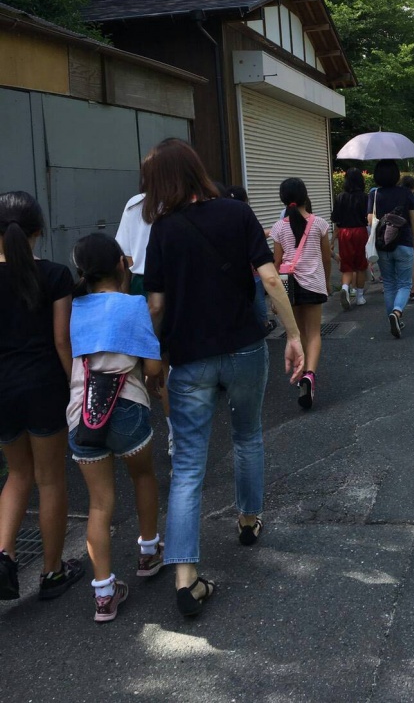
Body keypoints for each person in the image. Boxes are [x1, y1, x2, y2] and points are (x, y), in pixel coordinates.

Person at [142, 138, 304, 618]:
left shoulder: (163, 230)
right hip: (244, 350)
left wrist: (155, 358)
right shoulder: (236, 213)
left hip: (189, 359)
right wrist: (293, 334)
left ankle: (185, 577)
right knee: (248, 435)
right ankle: (249, 520)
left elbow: (155, 305)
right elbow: (270, 279)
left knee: (188, 465)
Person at [69, 233, 163, 623]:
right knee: (143, 477)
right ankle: (148, 552)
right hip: (126, 408)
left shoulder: (73, 308)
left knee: (99, 504)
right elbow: (153, 368)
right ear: (122, 264)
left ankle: (104, 594)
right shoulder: (132, 305)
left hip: (81, 413)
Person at [0, 191, 84, 602]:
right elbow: (62, 341)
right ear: (38, 232)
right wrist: (76, 387)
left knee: (17, 474)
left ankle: (3, 557)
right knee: (49, 479)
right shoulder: (55, 275)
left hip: (2, 390)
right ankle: (52, 572)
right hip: (44, 387)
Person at [116, 190, 174, 456]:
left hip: (143, 282)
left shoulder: (135, 203)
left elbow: (126, 258)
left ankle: (173, 435)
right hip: (179, 279)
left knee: (159, 364)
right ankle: (181, 434)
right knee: (183, 363)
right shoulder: (183, 200)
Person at [271, 178, 331, 410]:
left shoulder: (279, 227)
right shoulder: (319, 224)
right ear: (306, 197)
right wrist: (326, 281)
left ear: (283, 199)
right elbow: (326, 258)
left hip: (290, 287)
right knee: (314, 333)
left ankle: (303, 370)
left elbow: (277, 263)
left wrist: (275, 295)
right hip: (314, 284)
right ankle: (310, 375)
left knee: (297, 333)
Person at [368, 160, 414, 338]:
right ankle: (396, 313)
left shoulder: (374, 194)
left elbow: (370, 220)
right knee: (405, 283)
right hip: (404, 242)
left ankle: (393, 318)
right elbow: (413, 219)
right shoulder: (406, 193)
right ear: (396, 174)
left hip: (383, 245)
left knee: (389, 283)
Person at [227, 186, 276, 334]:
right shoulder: (245, 214)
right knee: (258, 299)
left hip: (233, 271)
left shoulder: (222, 218)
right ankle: (264, 324)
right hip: (253, 270)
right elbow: (256, 234)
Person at [330, 168, 368, 311]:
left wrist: (332, 240)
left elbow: (335, 219)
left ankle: (345, 288)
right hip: (360, 231)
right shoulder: (364, 197)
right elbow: (369, 217)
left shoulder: (340, 197)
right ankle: (359, 297)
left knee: (347, 265)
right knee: (360, 265)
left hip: (344, 233)